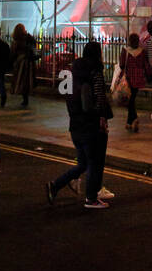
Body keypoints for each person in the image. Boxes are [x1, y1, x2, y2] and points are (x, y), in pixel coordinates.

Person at [46, 42, 113, 208]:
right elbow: (99, 99)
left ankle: (55, 185)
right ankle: (91, 198)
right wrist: (102, 118)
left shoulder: (72, 72)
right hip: (90, 125)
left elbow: (67, 96)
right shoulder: (95, 72)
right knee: (94, 163)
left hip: (75, 125)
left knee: (83, 163)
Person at [118, 32, 149, 132]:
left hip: (128, 79)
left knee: (129, 101)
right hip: (138, 78)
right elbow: (145, 65)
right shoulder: (142, 52)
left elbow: (122, 64)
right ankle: (129, 122)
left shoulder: (125, 51)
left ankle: (134, 118)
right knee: (131, 100)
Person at [10, 23, 37, 108]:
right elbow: (34, 43)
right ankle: (26, 97)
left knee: (21, 80)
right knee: (26, 80)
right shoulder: (26, 38)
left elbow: (13, 51)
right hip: (27, 62)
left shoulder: (17, 39)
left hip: (20, 62)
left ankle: (24, 97)